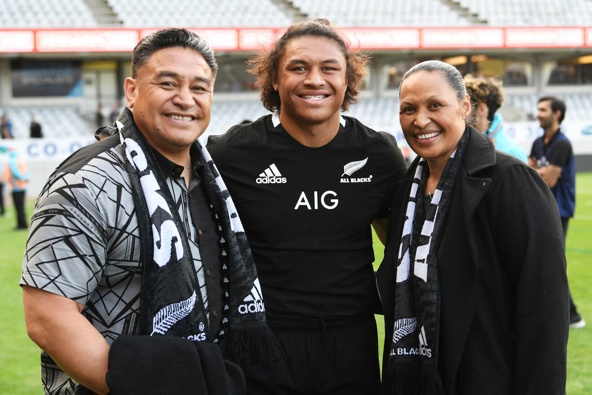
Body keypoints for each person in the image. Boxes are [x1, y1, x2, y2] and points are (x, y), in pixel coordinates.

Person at [20, 28, 281, 395]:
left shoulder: (210, 175)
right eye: (168, 83)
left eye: (199, 88)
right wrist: (137, 386)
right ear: (132, 90)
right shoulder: (88, 181)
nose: (185, 99)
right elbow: (48, 318)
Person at [208, 18, 408, 395]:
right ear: (274, 79)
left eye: (329, 68)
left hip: (354, 341)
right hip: (263, 340)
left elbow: (401, 244)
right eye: (298, 68)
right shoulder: (232, 153)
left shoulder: (378, 155)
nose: (315, 79)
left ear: (348, 79)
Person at [377, 60, 569, 394]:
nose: (420, 120)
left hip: (489, 379)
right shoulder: (406, 187)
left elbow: (545, 311)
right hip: (418, 378)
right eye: (409, 109)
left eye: (435, 105)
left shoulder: (509, 181)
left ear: (465, 106)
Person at [528, 95, 584, 329]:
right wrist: (541, 171)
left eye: (543, 109)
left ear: (557, 114)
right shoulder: (538, 142)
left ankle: (572, 315)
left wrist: (537, 171)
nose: (538, 113)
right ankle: (565, 313)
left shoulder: (563, 143)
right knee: (543, 261)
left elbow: (548, 179)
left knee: (552, 262)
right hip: (543, 208)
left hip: (560, 209)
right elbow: (531, 173)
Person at [463, 74, 527, 162]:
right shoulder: (462, 142)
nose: (462, 112)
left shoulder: (513, 153)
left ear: (482, 109)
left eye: (466, 106)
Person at [7, 146, 30, 229]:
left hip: (16, 186)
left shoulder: (13, 161)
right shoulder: (21, 159)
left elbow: (15, 173)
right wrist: (26, 178)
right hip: (23, 186)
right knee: (21, 206)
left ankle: (22, 224)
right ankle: (22, 223)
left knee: (18, 207)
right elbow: (27, 171)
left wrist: (22, 178)